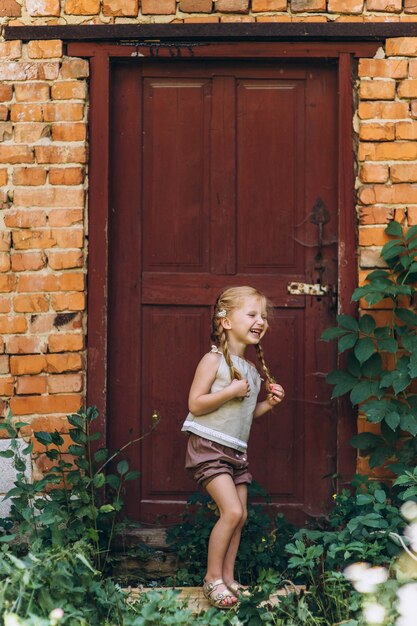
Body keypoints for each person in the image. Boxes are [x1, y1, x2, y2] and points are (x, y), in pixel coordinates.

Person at [181, 286, 285, 609]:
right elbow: (195, 404)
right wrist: (230, 391)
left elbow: (246, 414)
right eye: (252, 314)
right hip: (209, 448)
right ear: (225, 321)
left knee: (240, 518)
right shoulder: (213, 361)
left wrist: (268, 403)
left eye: (263, 316)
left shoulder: (251, 372)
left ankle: (228, 577)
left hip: (236, 453)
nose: (260, 321)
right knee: (232, 511)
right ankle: (212, 578)